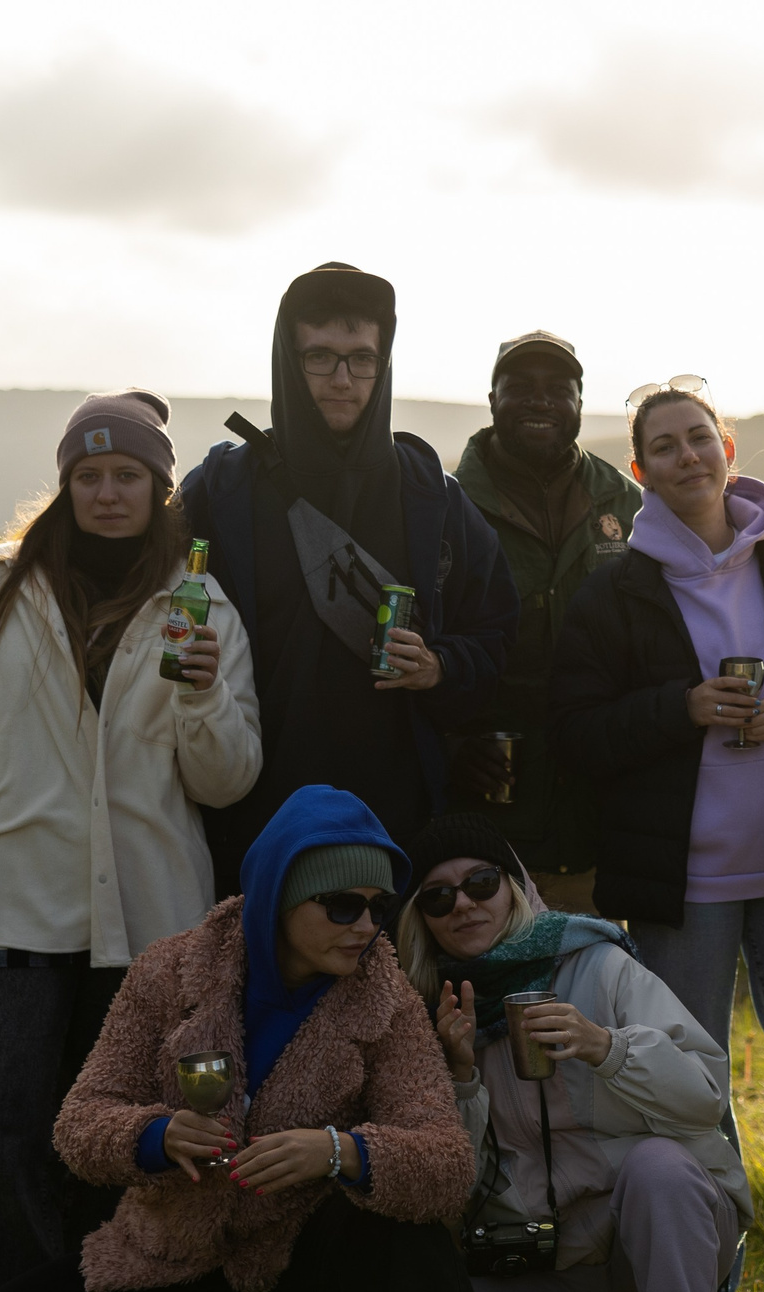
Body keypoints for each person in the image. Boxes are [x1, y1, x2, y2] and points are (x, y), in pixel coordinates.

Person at [0, 787, 503, 1292]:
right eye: (342, 905)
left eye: (378, 906)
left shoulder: (387, 1002)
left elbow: (446, 1160)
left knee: (404, 1233)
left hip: (307, 1248)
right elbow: (80, 1122)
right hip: (182, 1243)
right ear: (279, 896)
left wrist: (342, 1151)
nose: (367, 927)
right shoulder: (168, 971)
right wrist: (156, 1135)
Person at [0, 390, 262, 1292]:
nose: (107, 492)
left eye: (127, 476)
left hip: (148, 928)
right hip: (8, 910)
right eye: (89, 475)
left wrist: (201, 692)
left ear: (159, 489)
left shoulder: (201, 606)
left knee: (132, 1145)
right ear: (64, 484)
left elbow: (229, 778)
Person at [550, 378, 764, 1292]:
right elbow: (576, 734)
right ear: (639, 469)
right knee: (691, 1094)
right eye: (665, 448)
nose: (687, 458)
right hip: (679, 889)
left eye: (699, 438)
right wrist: (675, 710)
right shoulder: (613, 586)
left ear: (727, 445)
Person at [401, 814, 749, 1292]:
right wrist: (462, 1078)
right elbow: (451, 1190)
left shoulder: (596, 964)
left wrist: (606, 1046)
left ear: (514, 886)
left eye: (479, 883)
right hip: (545, 1250)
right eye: (437, 897)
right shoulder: (426, 1006)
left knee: (658, 1168)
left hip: (660, 1231)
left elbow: (704, 1093)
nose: (462, 904)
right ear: (421, 919)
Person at [180, 262, 520, 893]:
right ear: (288, 359)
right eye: (320, 358)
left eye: (362, 359)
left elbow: (497, 633)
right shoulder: (221, 494)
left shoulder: (431, 500)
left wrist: (439, 666)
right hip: (254, 821)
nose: (343, 380)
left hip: (400, 826)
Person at [450, 331, 643, 911]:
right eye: (521, 387)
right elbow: (417, 648)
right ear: (492, 400)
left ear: (580, 404)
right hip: (487, 828)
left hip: (601, 821)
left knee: (589, 990)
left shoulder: (629, 506)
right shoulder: (446, 509)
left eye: (559, 389)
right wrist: (449, 743)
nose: (541, 401)